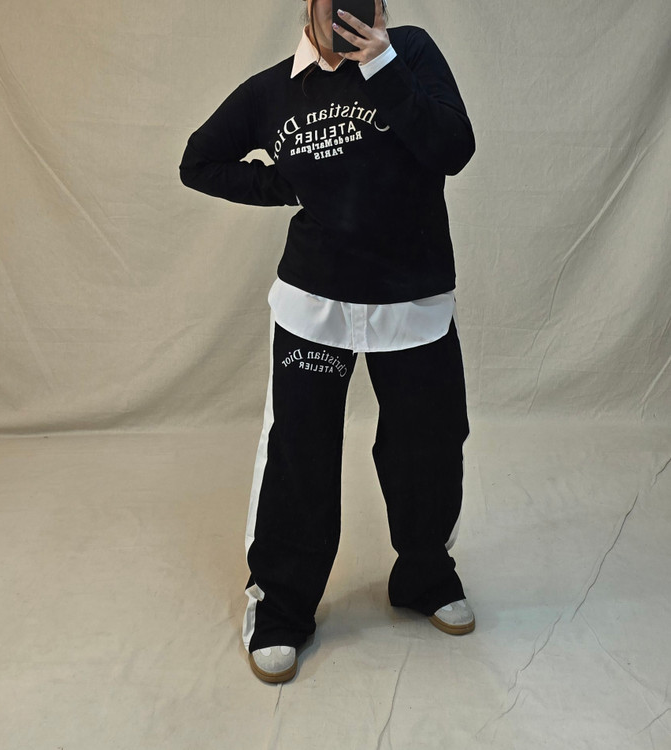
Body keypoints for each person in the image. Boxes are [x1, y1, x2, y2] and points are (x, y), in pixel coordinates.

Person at [179, 0, 476, 684]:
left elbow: (453, 151)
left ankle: (424, 576)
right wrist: (282, 185)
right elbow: (199, 161)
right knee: (300, 454)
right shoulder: (272, 91)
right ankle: (280, 607)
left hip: (413, 300)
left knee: (428, 445)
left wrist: (383, 66)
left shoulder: (411, 53)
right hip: (316, 303)